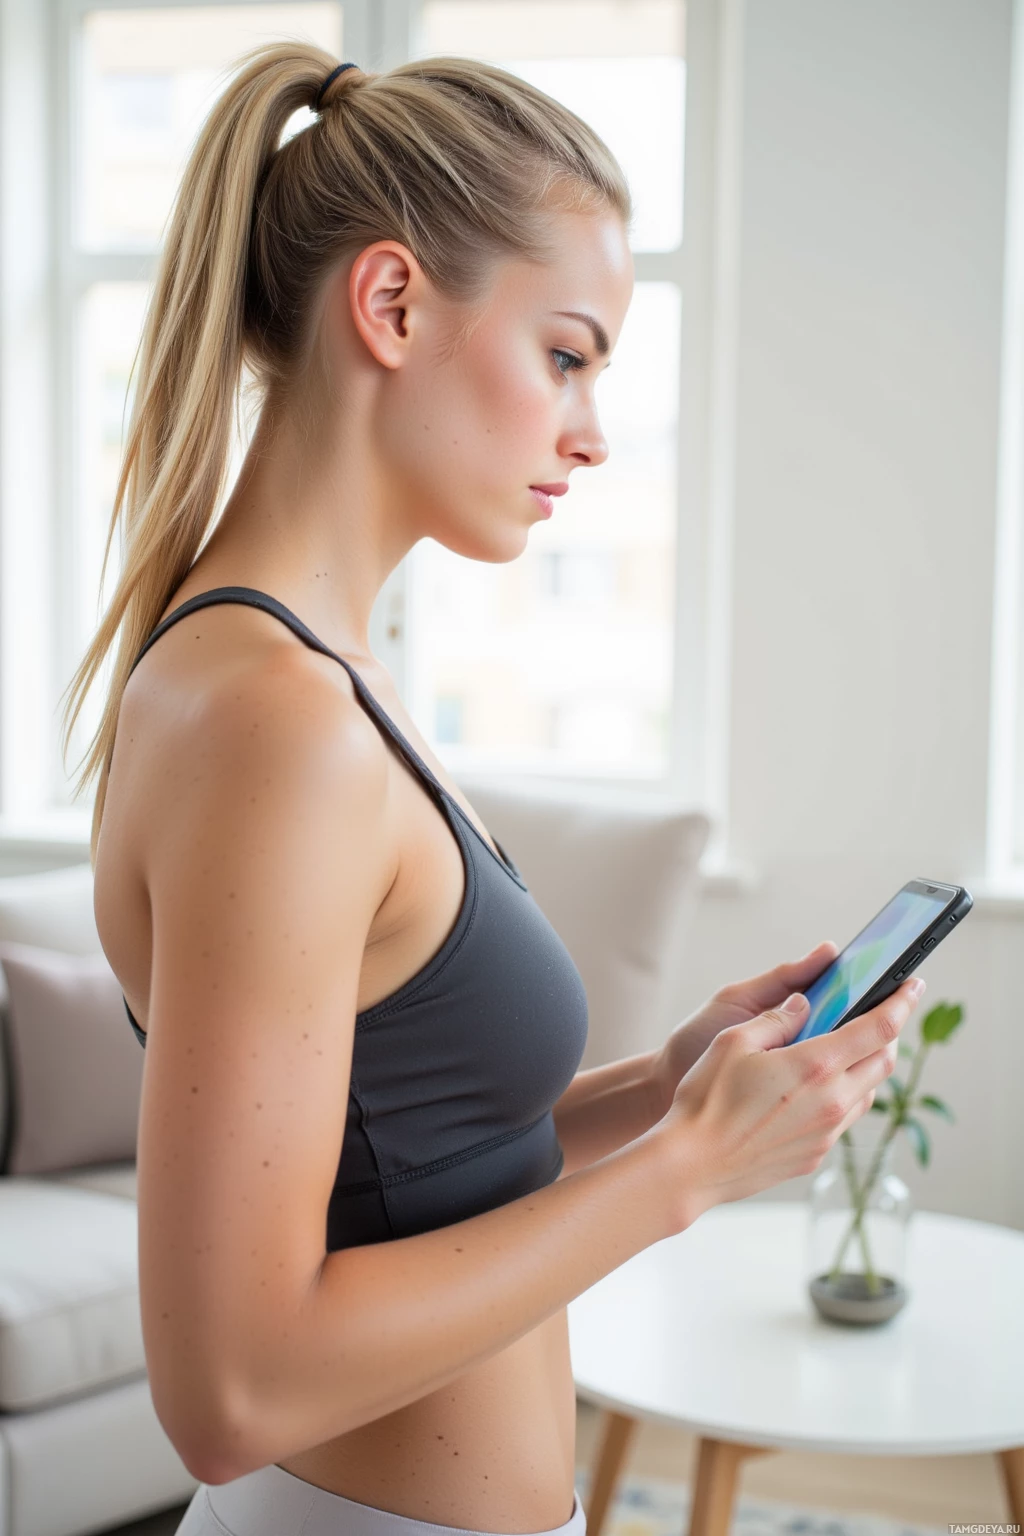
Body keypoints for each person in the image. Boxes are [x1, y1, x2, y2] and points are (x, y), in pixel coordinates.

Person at [61, 42, 920, 1536]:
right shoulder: (278, 720)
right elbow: (232, 1391)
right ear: (391, 305)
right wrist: (696, 1172)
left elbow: (411, 1163)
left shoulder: (322, 678)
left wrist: (672, 1089)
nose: (589, 431)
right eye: (567, 355)